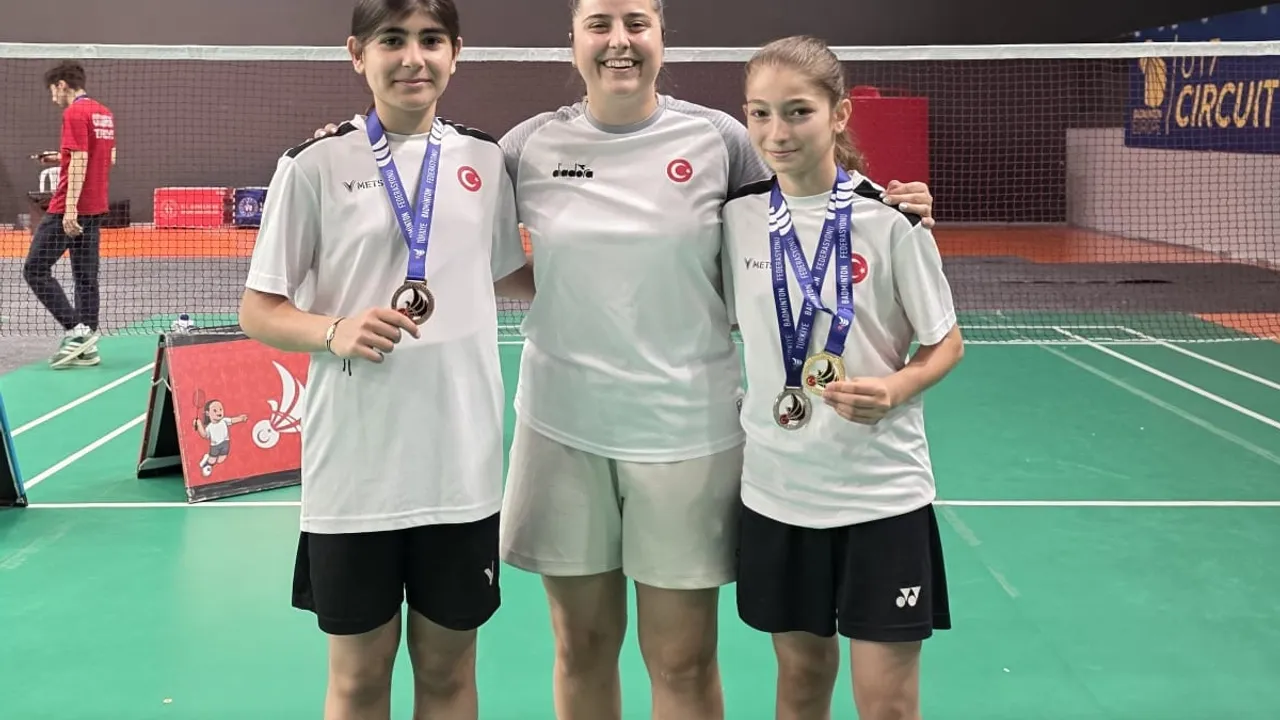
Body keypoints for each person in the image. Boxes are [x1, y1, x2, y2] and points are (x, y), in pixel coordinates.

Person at [311, 3, 935, 717]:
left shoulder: (720, 139)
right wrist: (347, 146)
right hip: (563, 429)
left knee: (682, 658)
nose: (619, 42)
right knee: (581, 645)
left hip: (685, 432)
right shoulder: (526, 146)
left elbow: (806, 196)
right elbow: (443, 200)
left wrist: (891, 202)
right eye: (599, 24)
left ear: (662, 36)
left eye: (636, 23)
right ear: (573, 40)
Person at [238, 1, 530, 718]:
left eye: (430, 40)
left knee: (450, 674)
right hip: (355, 472)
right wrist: (334, 329)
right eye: (392, 40)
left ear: (455, 52)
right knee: (359, 680)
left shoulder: (484, 160)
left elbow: (510, 276)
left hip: (460, 469)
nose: (412, 58)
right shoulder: (313, 165)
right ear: (357, 54)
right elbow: (259, 310)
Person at [723, 35, 963, 720]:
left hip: (880, 496)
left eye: (797, 111)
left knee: (887, 705)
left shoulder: (893, 221)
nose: (777, 132)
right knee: (800, 686)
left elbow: (946, 342)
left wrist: (894, 388)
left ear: (840, 114)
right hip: (778, 493)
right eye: (760, 113)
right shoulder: (736, 217)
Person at [23, 60, 116, 369]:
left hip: (68, 206)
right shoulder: (103, 113)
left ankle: (76, 331)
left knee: (35, 269)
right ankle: (88, 346)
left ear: (62, 85)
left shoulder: (74, 113)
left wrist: (70, 209)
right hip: (96, 206)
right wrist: (59, 156)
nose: (53, 98)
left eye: (53, 91)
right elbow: (108, 156)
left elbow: (79, 160)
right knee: (85, 277)